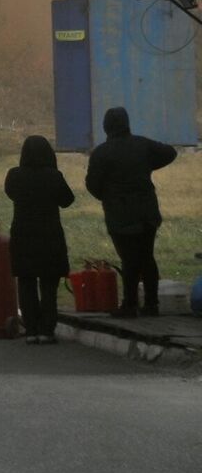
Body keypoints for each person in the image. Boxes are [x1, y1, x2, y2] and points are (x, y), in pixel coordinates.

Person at [84, 105, 178, 317]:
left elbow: (92, 184)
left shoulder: (101, 153)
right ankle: (152, 304)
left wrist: (108, 196)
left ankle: (129, 305)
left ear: (106, 127)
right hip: (147, 211)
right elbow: (170, 152)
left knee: (129, 258)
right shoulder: (142, 145)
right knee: (147, 256)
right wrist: (147, 165)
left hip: (120, 213)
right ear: (127, 124)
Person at [3, 134, 73, 343]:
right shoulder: (54, 176)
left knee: (26, 282)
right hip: (49, 234)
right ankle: (47, 330)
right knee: (49, 284)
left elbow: (10, 193)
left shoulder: (14, 176)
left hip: (23, 234)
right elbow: (67, 200)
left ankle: (31, 329)